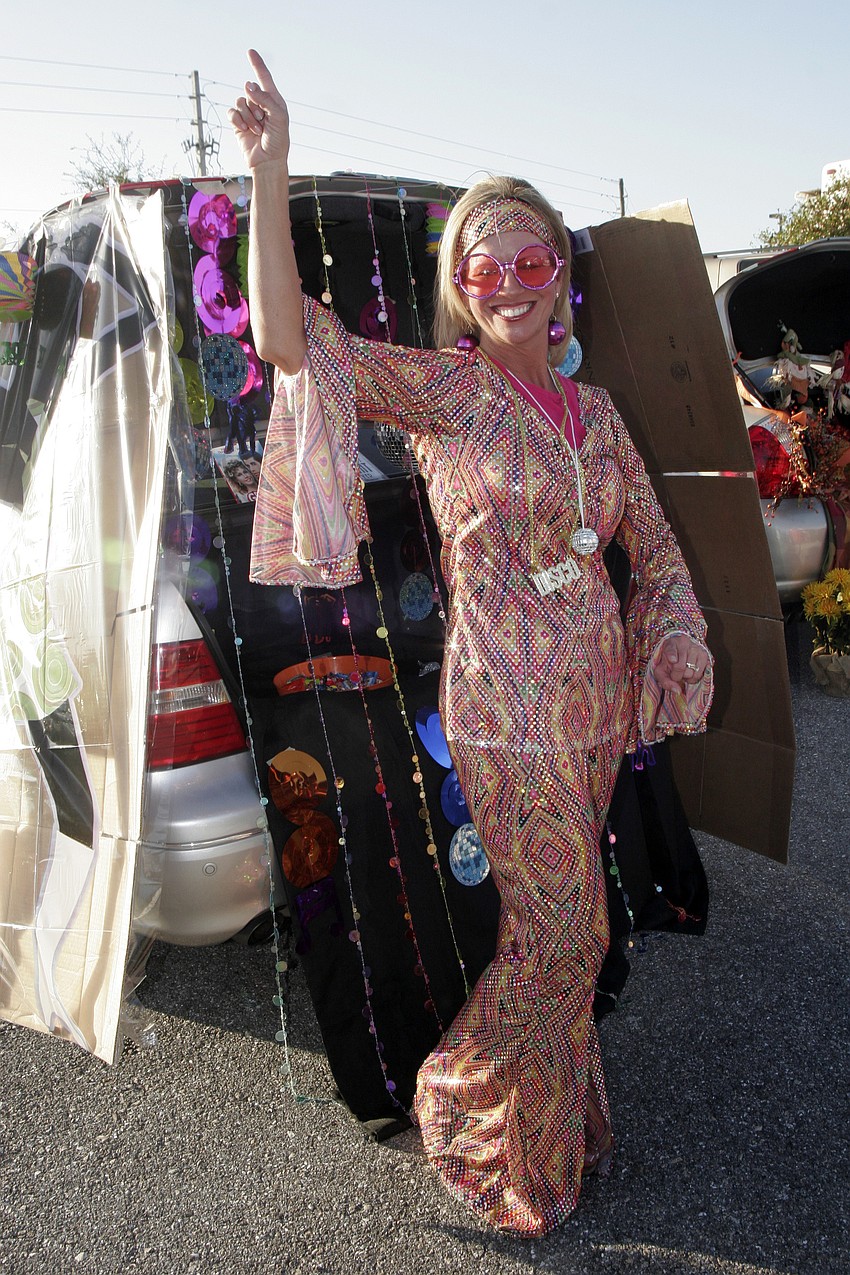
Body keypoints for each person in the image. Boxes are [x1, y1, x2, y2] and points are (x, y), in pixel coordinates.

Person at [230, 49, 713, 1237]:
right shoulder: (447, 395)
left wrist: (673, 635)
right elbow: (290, 341)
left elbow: (648, 547)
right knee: (567, 933)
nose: (508, 280)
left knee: (568, 923)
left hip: (595, 713)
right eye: (483, 264)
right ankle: (464, 1101)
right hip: (502, 710)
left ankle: (558, 1117)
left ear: (560, 282)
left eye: (528, 260)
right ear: (462, 285)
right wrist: (269, 172)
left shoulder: (593, 414)